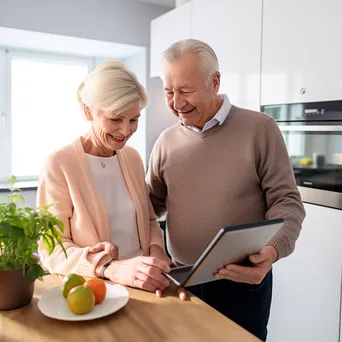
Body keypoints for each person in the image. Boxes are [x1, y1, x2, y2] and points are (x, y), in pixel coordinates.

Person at [146, 39, 306, 341]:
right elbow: (149, 206)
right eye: (169, 92)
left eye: (186, 90)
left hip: (242, 282)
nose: (177, 103)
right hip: (182, 279)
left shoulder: (260, 128)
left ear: (214, 81)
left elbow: (287, 202)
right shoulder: (166, 141)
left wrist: (271, 252)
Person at [37, 61, 171, 295]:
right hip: (94, 293)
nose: (126, 131)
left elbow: (149, 221)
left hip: (145, 287)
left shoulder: (132, 158)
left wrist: (157, 251)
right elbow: (52, 250)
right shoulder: (60, 164)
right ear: (88, 111)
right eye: (115, 119)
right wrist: (110, 267)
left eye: (134, 119)